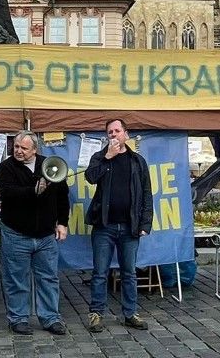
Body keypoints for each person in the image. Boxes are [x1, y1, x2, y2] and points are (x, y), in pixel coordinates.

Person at [0, 130, 69, 335]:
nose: (18, 151)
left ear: (35, 150)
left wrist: (62, 222)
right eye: (16, 147)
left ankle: (50, 318)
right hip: (16, 234)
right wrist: (33, 190)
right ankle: (18, 318)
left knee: (49, 278)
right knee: (16, 279)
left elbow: (63, 197)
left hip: (45, 236)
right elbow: (7, 192)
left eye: (23, 148)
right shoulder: (6, 168)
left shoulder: (50, 166)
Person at [85, 118, 152, 332]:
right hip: (104, 226)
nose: (113, 135)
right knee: (100, 272)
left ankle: (130, 313)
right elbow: (90, 177)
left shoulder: (137, 161)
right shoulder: (99, 157)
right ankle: (96, 314)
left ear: (126, 134)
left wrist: (145, 223)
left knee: (129, 273)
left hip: (130, 226)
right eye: (109, 132)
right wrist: (107, 157)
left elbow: (147, 195)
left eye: (117, 131)